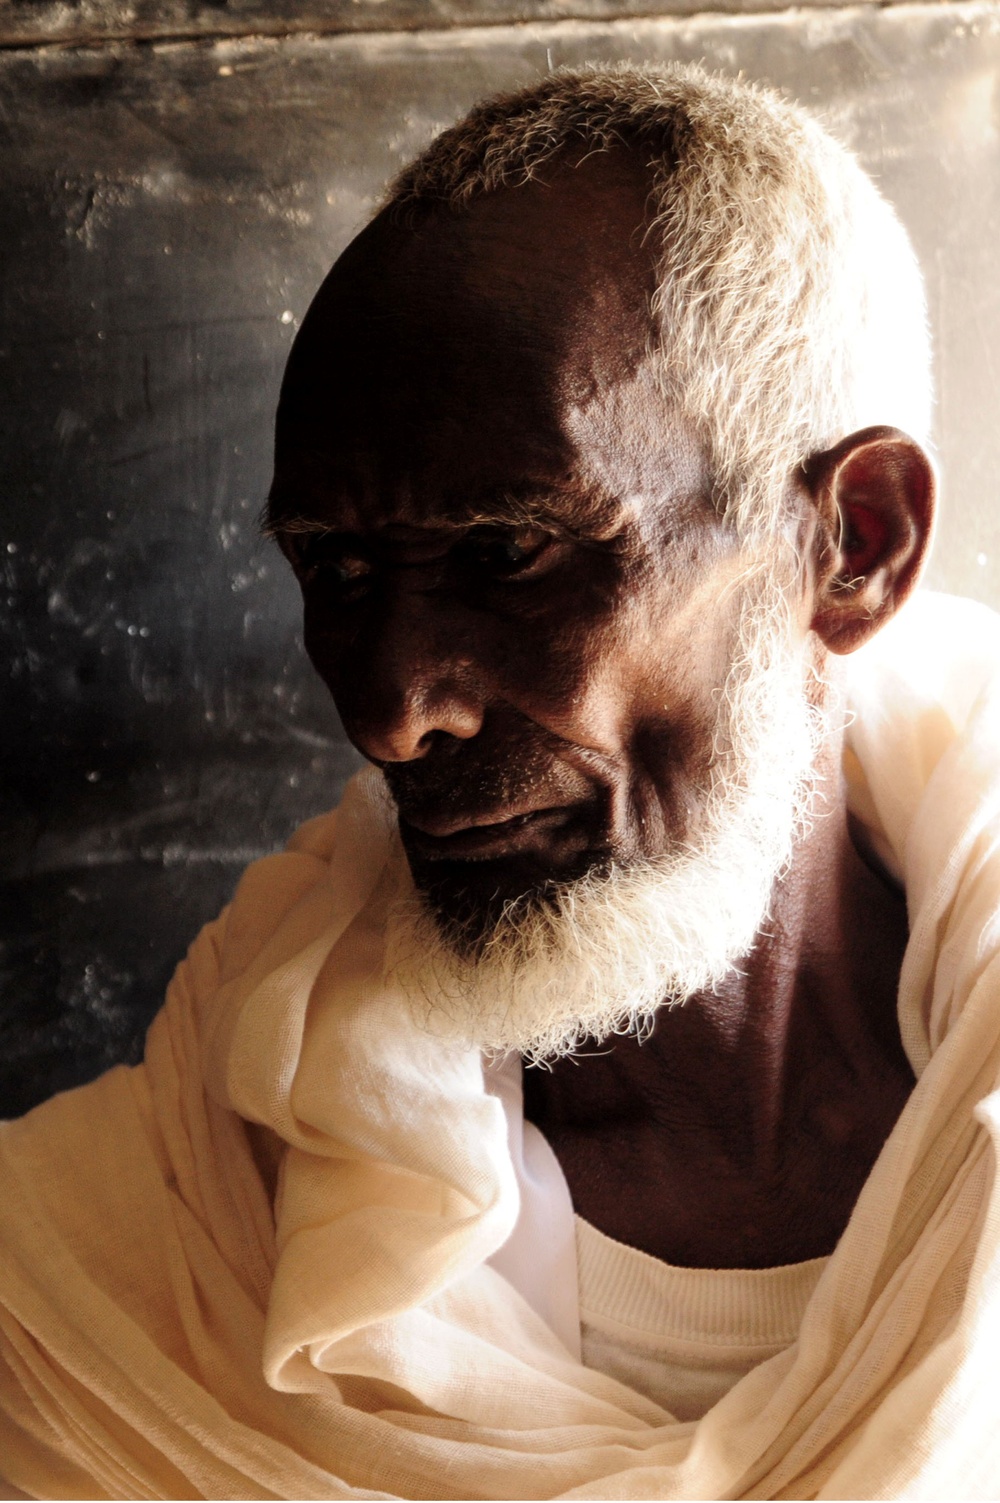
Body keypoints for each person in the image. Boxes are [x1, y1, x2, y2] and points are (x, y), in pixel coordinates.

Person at [3, 60, 1000, 1500]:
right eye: (339, 573)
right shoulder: (120, 1275)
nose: (392, 714)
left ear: (852, 546)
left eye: (509, 553)